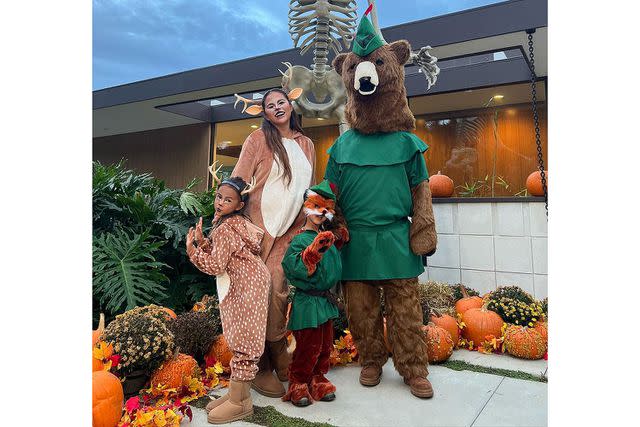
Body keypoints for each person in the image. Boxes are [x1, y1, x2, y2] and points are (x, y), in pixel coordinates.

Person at [231, 87, 316, 397]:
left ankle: (278, 349)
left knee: (277, 288)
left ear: (291, 105)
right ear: (264, 113)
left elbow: (309, 189)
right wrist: (224, 215)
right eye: (271, 105)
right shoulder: (257, 140)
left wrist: (313, 223)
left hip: (291, 231)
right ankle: (261, 364)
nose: (278, 107)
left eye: (282, 102)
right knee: (257, 291)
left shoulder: (306, 144)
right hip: (258, 230)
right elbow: (238, 178)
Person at [186, 176, 270, 424]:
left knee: (242, 337)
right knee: (241, 335)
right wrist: (203, 242)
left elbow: (215, 265)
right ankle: (236, 394)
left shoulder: (225, 228)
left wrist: (193, 251)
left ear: (240, 204)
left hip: (245, 287)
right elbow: (224, 253)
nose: (220, 202)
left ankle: (241, 402)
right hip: (250, 283)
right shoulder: (234, 224)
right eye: (218, 197)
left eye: (228, 199)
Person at [281, 180, 343, 407]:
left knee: (325, 345)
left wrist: (337, 245)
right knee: (308, 346)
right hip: (308, 302)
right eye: (317, 206)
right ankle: (298, 382)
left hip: (325, 301)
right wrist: (311, 256)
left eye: (326, 208)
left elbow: (332, 266)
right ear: (307, 208)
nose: (322, 212)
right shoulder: (300, 240)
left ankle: (318, 378)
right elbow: (291, 266)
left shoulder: (326, 237)